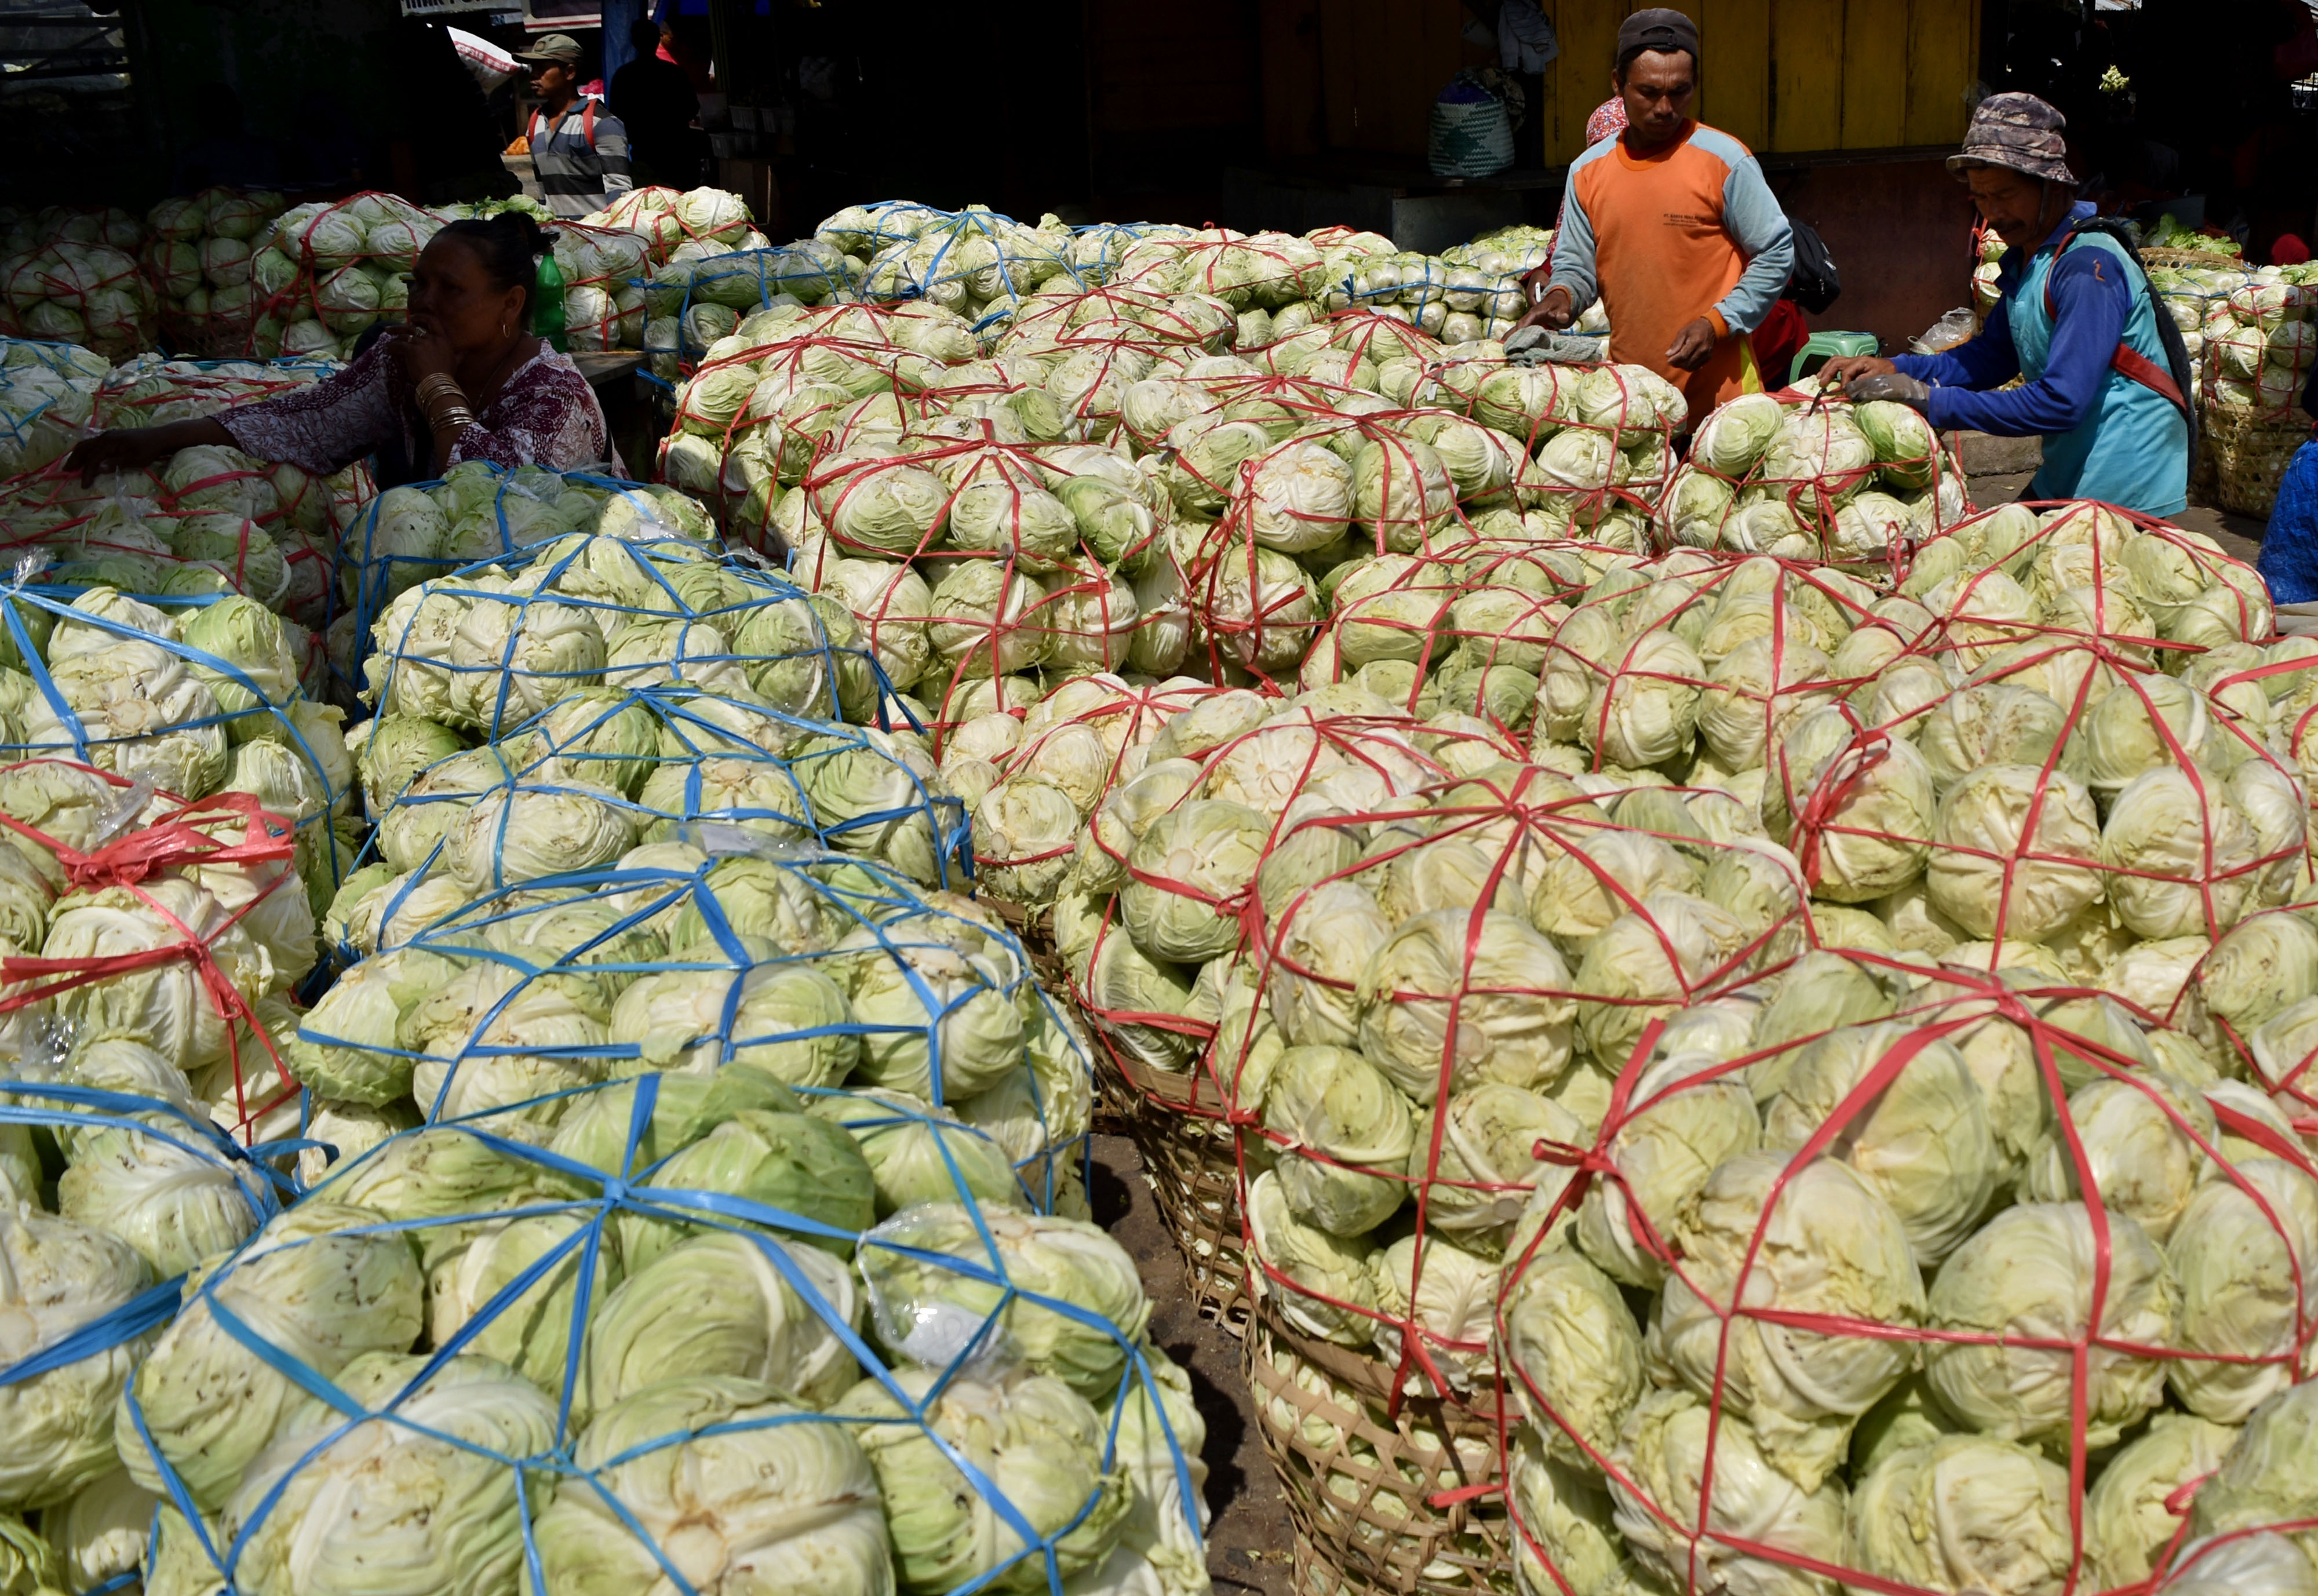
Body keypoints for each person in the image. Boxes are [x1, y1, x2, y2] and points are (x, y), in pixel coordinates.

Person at [1820, 93, 2191, 518]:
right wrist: (1900, 369)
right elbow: (1994, 356)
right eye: (1980, 197)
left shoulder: (2088, 267)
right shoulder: (2031, 259)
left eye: (2006, 195)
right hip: (2074, 466)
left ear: (2052, 187)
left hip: (2125, 478)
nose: (1992, 212)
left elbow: (2061, 402)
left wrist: (1932, 401)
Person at [64, 213, 618, 489]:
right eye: (416, 285)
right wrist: (158, 438)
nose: (424, 303)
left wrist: (437, 388)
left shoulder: (553, 395)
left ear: (510, 304)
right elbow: (306, 422)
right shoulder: (404, 360)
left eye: (450, 291)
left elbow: (502, 497)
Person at [1517, 8, 1795, 418]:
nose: (1665, 108)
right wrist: (1562, 296)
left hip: (1722, 396)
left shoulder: (1726, 160)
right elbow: (1577, 265)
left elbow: (1776, 253)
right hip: (1632, 394)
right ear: (1618, 84)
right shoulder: (1587, 171)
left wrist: (1717, 323)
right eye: (1648, 92)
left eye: (1679, 91)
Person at [521, 33, 633, 219]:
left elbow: (620, 192)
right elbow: (543, 191)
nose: (534, 74)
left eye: (543, 68)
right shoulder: (535, 123)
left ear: (569, 72)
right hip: (557, 240)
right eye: (533, 67)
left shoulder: (602, 123)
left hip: (595, 240)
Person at [609, 18, 702, 188]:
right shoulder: (675, 73)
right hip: (677, 152)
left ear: (633, 42)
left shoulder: (624, 77)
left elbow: (616, 117)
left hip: (644, 153)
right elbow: (692, 108)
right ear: (657, 39)